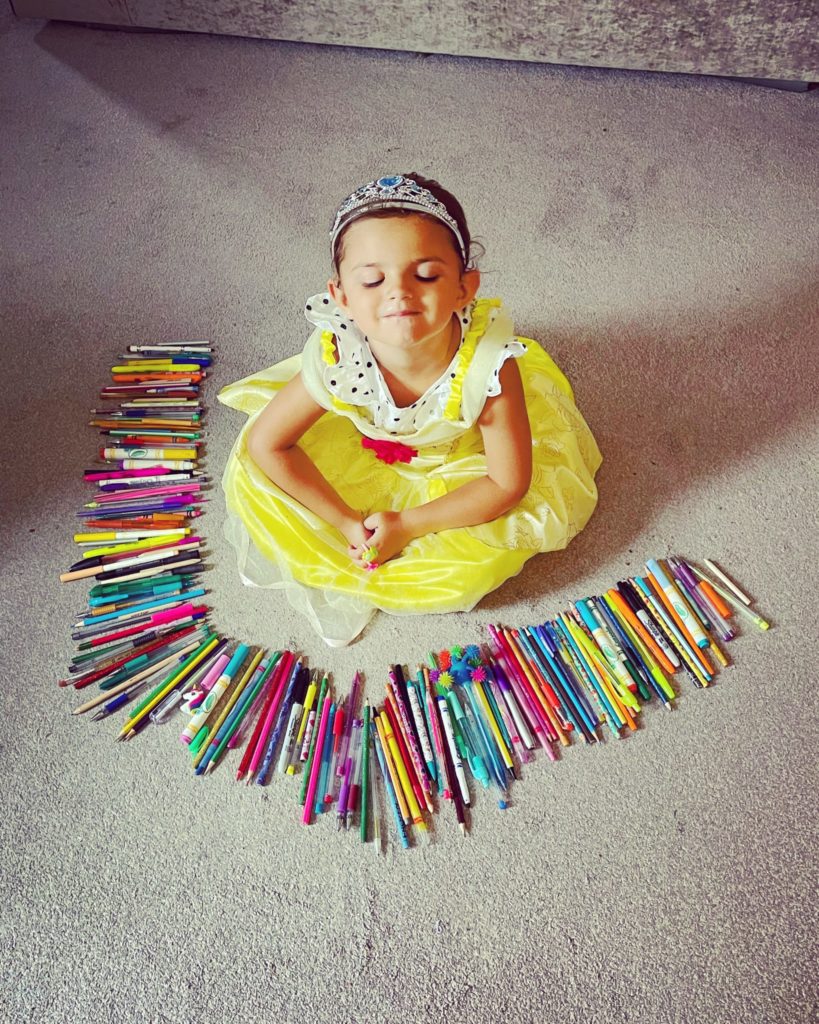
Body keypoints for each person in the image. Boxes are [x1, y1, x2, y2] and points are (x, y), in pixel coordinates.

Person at [218, 173, 602, 646]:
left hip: (458, 461)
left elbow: (507, 482)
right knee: (260, 487)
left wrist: (408, 525)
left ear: (465, 289)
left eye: (425, 275)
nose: (398, 292)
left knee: (466, 566)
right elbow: (269, 443)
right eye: (373, 280)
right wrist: (343, 521)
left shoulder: (488, 369)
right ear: (342, 297)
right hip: (364, 448)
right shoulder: (340, 357)